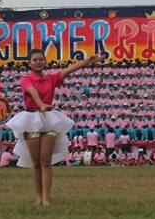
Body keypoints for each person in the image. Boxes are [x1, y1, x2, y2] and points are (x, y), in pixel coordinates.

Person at [6, 48, 103, 206]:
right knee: (36, 163)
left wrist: (88, 61)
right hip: (31, 120)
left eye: (41, 59)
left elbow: (69, 70)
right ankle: (38, 197)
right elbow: (32, 92)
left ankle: (46, 198)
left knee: (46, 161)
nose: (38, 62)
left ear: (45, 61)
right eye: (35, 60)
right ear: (29, 63)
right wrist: (41, 105)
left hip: (49, 120)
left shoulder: (51, 78)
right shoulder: (26, 79)